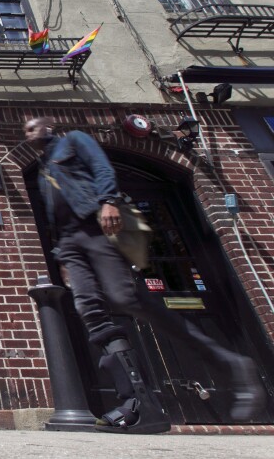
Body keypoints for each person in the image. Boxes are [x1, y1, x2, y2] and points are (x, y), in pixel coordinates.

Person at [24, 116, 265, 433]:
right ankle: (134, 400)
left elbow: (102, 168)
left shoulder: (75, 140)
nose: (29, 133)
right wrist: (62, 256)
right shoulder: (42, 169)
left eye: (33, 127)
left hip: (96, 229)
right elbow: (55, 212)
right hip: (70, 243)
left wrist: (109, 201)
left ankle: (232, 364)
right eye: (26, 130)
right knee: (89, 309)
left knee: (126, 298)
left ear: (48, 127)